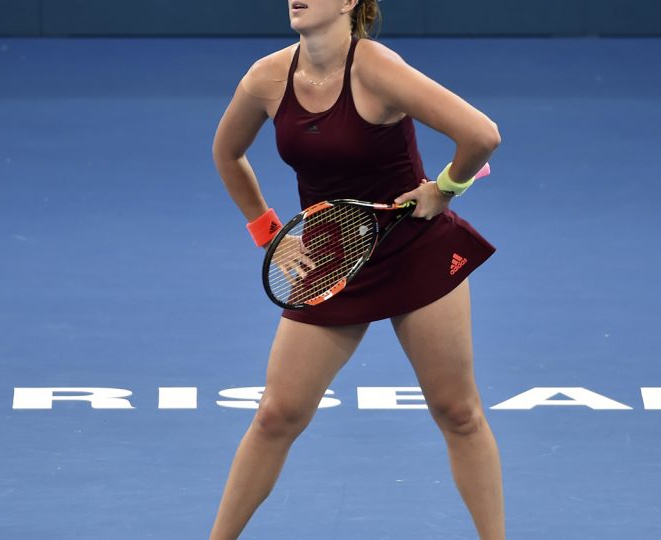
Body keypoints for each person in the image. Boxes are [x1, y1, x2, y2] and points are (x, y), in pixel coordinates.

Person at [209, 1, 503, 538]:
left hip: (413, 250)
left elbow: (480, 135)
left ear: (349, 1)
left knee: (458, 412)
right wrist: (269, 233)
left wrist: (445, 188)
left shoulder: (376, 68)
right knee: (277, 415)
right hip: (332, 262)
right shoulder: (267, 77)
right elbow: (227, 153)